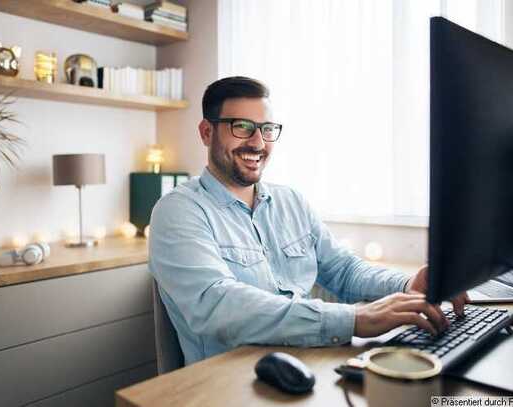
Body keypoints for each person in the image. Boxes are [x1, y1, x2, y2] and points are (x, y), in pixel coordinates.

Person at [149, 76, 468, 365]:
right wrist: (353, 319)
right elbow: (217, 305)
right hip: (229, 379)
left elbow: (343, 270)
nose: (259, 143)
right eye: (242, 127)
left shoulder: (291, 201)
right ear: (207, 132)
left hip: (308, 360)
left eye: (267, 129)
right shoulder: (178, 211)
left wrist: (407, 285)